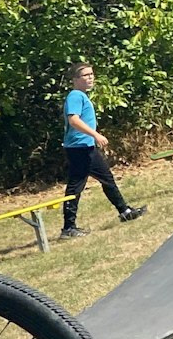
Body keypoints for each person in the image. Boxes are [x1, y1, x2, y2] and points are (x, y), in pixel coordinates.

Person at [61, 62, 147, 239]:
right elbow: (73, 120)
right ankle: (68, 228)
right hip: (79, 148)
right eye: (85, 75)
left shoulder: (81, 95)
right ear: (75, 79)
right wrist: (96, 135)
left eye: (92, 74)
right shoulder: (75, 96)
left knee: (106, 178)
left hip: (85, 147)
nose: (90, 78)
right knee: (76, 186)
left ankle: (125, 211)